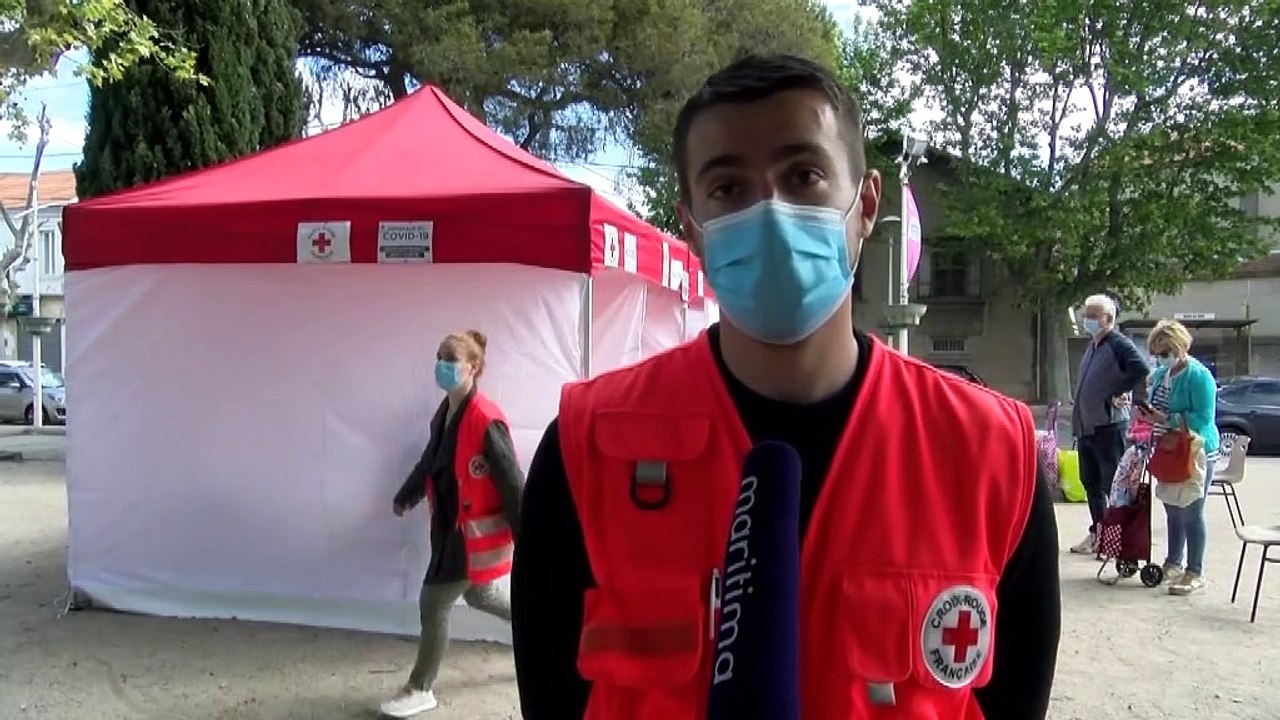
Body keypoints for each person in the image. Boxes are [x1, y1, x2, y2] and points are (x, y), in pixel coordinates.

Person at [510, 54, 1060, 719]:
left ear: (866, 206)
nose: (769, 211)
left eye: (804, 176)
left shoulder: (989, 454)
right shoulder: (588, 447)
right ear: (693, 228)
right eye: (728, 188)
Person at [379, 329, 523, 718]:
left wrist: (529, 537)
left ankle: (420, 687)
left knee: (435, 601)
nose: (442, 365)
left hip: (469, 531)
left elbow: (512, 483)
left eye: (451, 359)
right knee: (480, 595)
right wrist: (406, 496)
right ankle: (539, 625)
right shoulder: (444, 413)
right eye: (439, 357)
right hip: (449, 525)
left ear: (473, 367)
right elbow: (430, 460)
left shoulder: (486, 420)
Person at [1137, 319, 1220, 595]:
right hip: (1167, 448)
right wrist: (1145, 415)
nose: (1161, 358)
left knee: (1192, 511)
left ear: (1180, 346)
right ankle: (1173, 562)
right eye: (1157, 353)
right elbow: (1155, 403)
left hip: (1196, 450)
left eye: (1165, 352)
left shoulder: (1199, 376)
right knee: (1172, 508)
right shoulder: (1161, 375)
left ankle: (1195, 571)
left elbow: (1203, 418)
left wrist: (1169, 418)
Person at [1070, 293, 1149, 555]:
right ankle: (1099, 533)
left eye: (1093, 316)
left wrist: (1119, 390)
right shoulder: (1093, 346)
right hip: (1087, 427)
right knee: (1090, 483)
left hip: (1108, 426)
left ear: (1109, 319)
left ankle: (1118, 540)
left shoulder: (1118, 344)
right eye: (1086, 315)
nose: (1087, 321)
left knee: (1111, 486)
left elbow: (1140, 368)